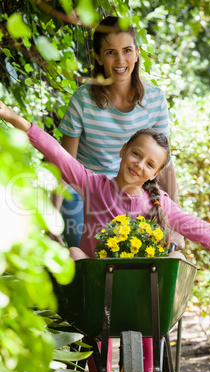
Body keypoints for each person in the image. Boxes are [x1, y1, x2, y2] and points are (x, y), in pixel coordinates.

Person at [1, 102, 210, 372]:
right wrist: (12, 117)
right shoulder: (94, 185)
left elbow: (200, 229)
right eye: (136, 154)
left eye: (150, 164)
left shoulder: (158, 205)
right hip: (99, 288)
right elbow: (58, 153)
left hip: (144, 294)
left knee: (174, 259)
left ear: (156, 173)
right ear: (123, 150)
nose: (139, 165)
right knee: (75, 252)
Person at [54, 15, 184, 250]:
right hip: (87, 192)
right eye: (110, 52)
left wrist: (176, 228)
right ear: (98, 57)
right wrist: (51, 220)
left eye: (126, 50)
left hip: (134, 191)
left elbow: (164, 163)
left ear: (136, 53)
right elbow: (64, 164)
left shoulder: (154, 99)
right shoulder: (83, 99)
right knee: (90, 254)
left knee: (141, 256)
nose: (120, 59)